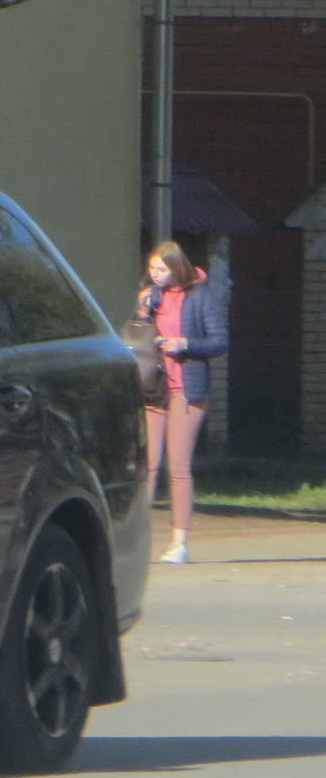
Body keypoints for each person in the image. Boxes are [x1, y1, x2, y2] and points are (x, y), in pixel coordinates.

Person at [137, 240, 229, 563]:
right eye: (151, 268)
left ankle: (179, 542)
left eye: (161, 269)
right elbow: (138, 338)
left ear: (177, 268)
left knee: (178, 466)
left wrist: (184, 343)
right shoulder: (151, 298)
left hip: (186, 389)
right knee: (148, 464)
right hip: (155, 387)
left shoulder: (200, 296)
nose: (155, 274)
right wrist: (142, 310)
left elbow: (220, 342)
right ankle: (137, 538)